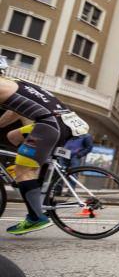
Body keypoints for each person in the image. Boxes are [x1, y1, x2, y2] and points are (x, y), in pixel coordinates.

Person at [0, 65, 88, 234]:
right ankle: (31, 177)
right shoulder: (15, 83)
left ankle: (36, 218)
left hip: (49, 126)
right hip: (59, 122)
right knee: (13, 136)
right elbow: (16, 112)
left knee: (23, 168)